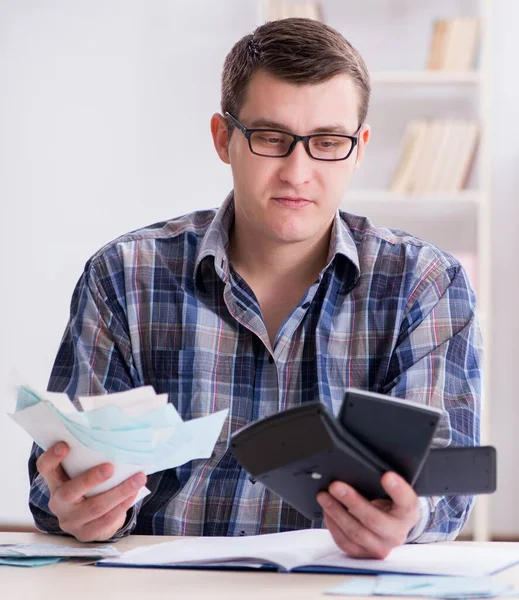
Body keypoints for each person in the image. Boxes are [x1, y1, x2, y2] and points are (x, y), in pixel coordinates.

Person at [28, 17, 481, 559]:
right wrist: (78, 510)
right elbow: (55, 480)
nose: (297, 171)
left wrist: (409, 516)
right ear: (224, 138)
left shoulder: (424, 285)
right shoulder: (124, 275)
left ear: (358, 148)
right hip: (159, 586)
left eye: (328, 142)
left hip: (341, 583)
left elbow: (444, 484)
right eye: (271, 138)